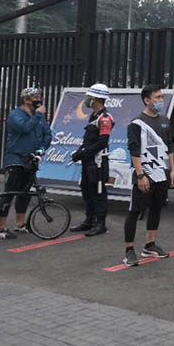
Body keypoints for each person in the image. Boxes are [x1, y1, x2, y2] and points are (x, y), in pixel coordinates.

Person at [122, 85, 174, 266]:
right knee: (135, 211)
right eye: (158, 98)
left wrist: (173, 170)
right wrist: (140, 175)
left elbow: (169, 147)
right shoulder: (136, 123)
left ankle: (150, 245)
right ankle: (129, 250)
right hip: (145, 174)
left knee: (156, 208)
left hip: (162, 174)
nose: (161, 101)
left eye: (162, 97)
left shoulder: (165, 121)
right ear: (147, 100)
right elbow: (134, 150)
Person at [0, 87, 53, 239]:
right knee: (9, 192)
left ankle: (20, 224)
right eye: (35, 97)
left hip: (31, 159)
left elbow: (47, 135)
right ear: (26, 99)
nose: (39, 100)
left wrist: (41, 151)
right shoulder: (15, 115)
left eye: (40, 96)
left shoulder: (39, 117)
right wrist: (39, 114)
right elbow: (23, 128)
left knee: (25, 193)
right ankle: (1, 227)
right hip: (15, 159)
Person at [69, 84, 114, 237]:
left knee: (98, 191)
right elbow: (88, 139)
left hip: (98, 162)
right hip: (88, 161)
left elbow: (102, 142)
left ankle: (100, 223)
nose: (87, 100)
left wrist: (84, 153)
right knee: (86, 189)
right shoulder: (93, 116)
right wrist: (79, 152)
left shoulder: (105, 118)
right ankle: (89, 220)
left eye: (89, 97)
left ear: (95, 99)